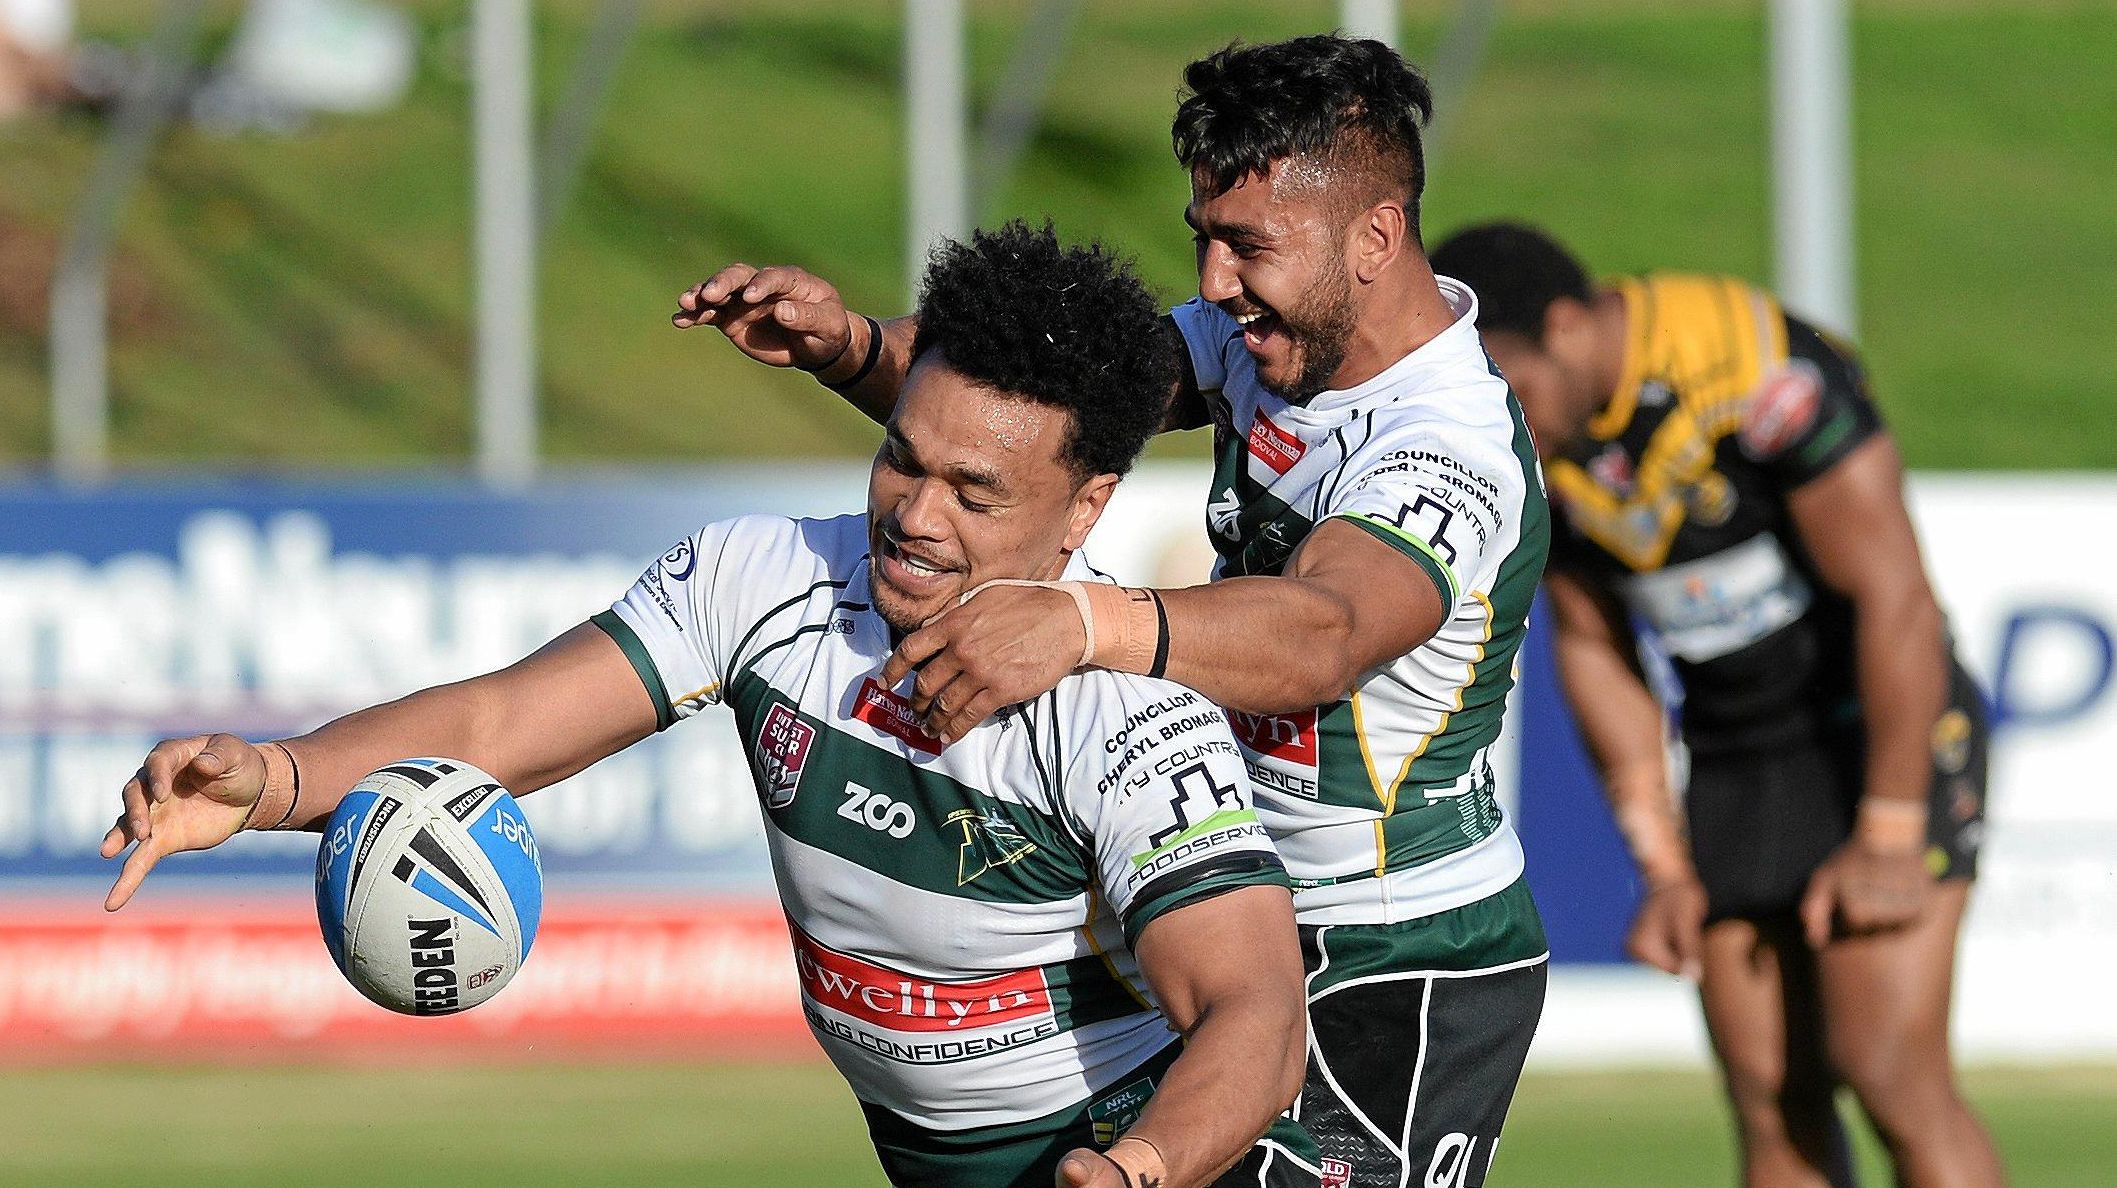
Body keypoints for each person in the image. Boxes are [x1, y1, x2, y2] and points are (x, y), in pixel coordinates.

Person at [100, 222, 1319, 1188]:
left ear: (1086, 506)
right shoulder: (764, 579)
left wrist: (1135, 1172)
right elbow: (490, 732)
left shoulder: (1129, 722)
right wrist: (266, 781)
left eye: (974, 491)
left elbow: (1253, 1019)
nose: (914, 513)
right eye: (902, 455)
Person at [674, 36, 1549, 1188]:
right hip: (1209, 902)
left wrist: (1083, 624)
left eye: (1246, 246)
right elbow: (1043, 421)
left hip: (1390, 953)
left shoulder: (1444, 450)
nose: (1212, 283)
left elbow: (1325, 633)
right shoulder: (1268, 345)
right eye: (1202, 238)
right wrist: (851, 352)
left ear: (1374, 237)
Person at [1428, 221, 2007, 1188]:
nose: (1507, 424)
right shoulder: (1536, 443)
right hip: (1739, 753)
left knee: (1891, 1074)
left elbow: (1894, 598)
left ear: (1567, 328)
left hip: (1875, 737)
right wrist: (1661, 862)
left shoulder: (1750, 368)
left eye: (1514, 390)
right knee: (1768, 1095)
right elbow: (1592, 642)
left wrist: (1891, 831)